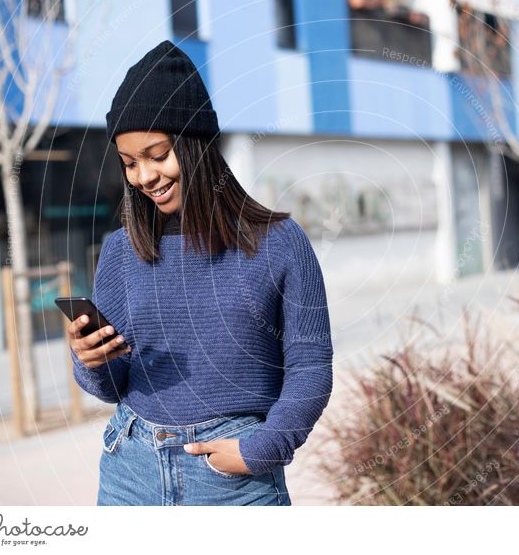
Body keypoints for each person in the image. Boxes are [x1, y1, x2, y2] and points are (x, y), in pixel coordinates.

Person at [66, 40, 334, 506]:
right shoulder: (120, 251)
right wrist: (91, 361)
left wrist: (259, 451)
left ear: (196, 144)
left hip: (233, 481)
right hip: (131, 471)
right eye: (130, 163)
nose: (144, 176)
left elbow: (311, 369)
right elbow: (112, 388)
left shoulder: (281, 243)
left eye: (157, 154)